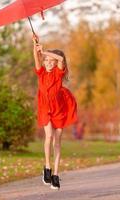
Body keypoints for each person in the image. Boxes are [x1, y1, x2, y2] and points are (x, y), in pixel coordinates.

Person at [32, 34, 78, 190]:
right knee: (49, 136)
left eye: (51, 61)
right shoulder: (41, 73)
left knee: (57, 141)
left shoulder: (58, 73)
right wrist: (36, 45)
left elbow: (60, 60)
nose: (49, 63)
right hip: (45, 108)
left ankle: (56, 175)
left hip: (59, 109)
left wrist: (44, 52)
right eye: (46, 61)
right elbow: (36, 57)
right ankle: (47, 167)